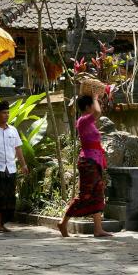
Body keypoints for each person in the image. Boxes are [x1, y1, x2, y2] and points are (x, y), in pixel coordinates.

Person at [57, 93, 113, 237]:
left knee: (97, 194)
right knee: (85, 195)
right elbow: (99, 112)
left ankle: (98, 229)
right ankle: (63, 223)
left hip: (94, 162)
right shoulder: (83, 121)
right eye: (92, 104)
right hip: (88, 162)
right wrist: (95, 97)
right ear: (88, 107)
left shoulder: (88, 123)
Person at [0, 100, 29, 233]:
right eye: (4, 113)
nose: (7, 115)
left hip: (11, 167)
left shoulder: (13, 130)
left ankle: (4, 221)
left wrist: (23, 164)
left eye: (8, 112)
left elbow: (18, 148)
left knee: (10, 197)